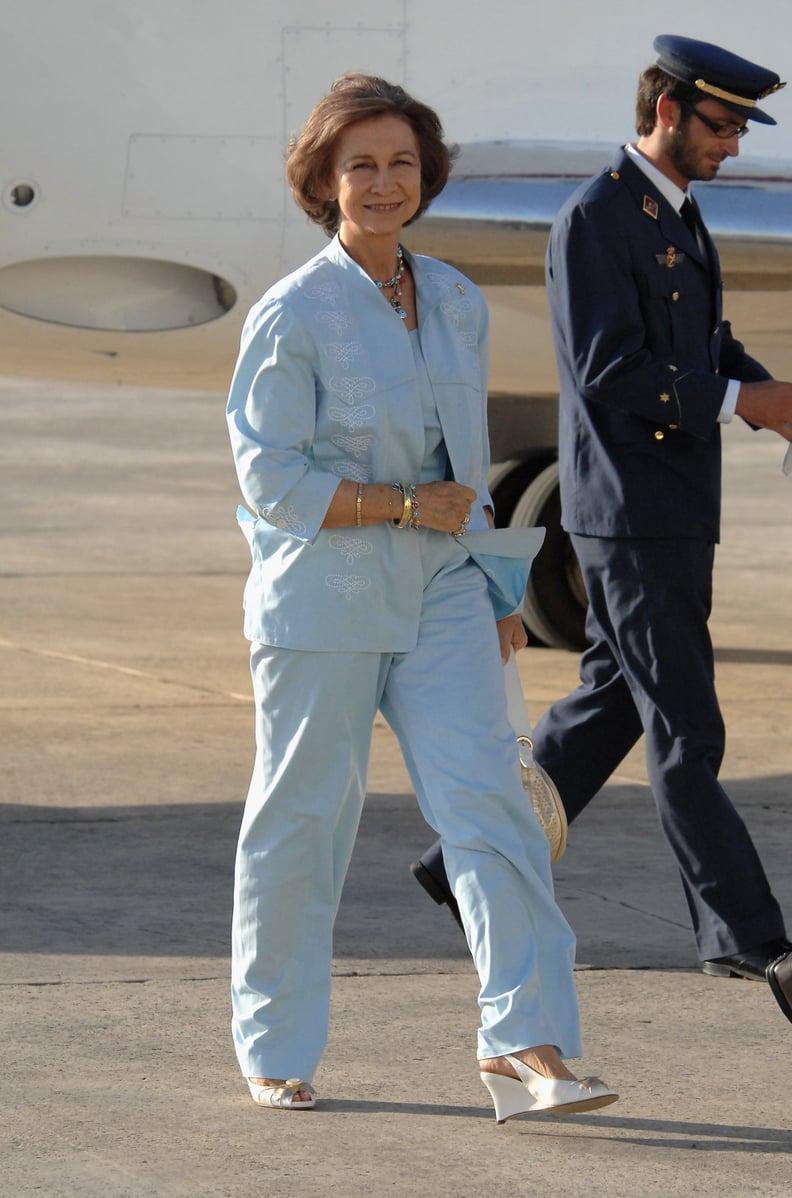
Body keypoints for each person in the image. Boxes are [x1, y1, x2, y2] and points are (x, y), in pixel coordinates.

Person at [225, 72, 619, 1119]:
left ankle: (526, 1044)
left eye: (402, 163)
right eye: (362, 165)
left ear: (426, 175)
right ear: (324, 179)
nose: (384, 182)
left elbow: (471, 460)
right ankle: (275, 1047)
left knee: (492, 805)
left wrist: (495, 589)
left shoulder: (453, 298)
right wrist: (403, 503)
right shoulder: (289, 315)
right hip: (325, 598)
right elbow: (271, 482)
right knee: (304, 820)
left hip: (445, 588)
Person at [411, 36, 792, 1028]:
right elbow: (609, 370)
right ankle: (750, 935)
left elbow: (701, 341)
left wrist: (767, 392)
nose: (734, 148)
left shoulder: (676, 216)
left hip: (673, 507)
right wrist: (743, 399)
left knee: (618, 704)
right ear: (667, 110)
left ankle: (467, 864)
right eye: (721, 126)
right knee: (686, 727)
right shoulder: (593, 220)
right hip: (626, 513)